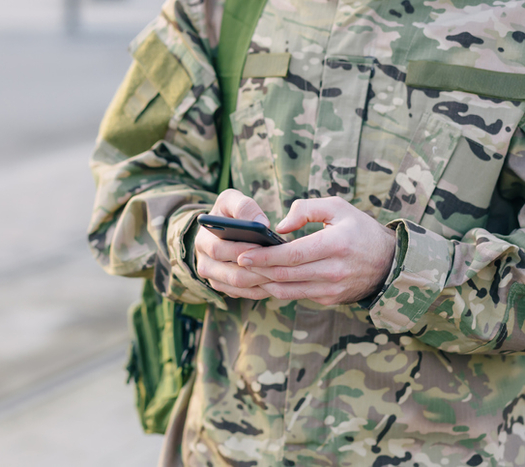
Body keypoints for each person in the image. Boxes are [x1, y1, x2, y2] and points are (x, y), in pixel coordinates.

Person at [88, 0, 525, 465]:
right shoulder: (218, 10)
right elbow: (123, 194)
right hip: (231, 448)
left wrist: (396, 270)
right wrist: (192, 242)